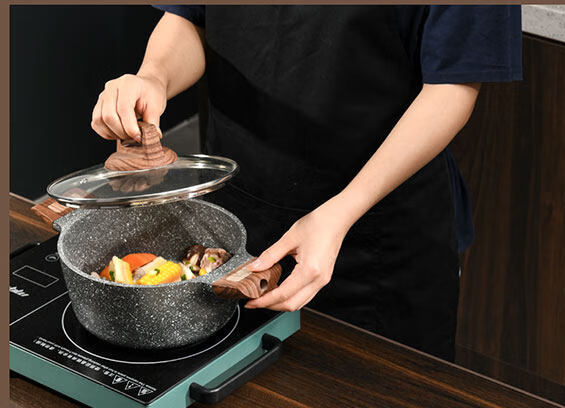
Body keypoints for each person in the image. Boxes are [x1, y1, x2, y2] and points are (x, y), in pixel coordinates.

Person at [92, 5, 522, 360]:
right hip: (236, 221)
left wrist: (342, 210)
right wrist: (154, 77)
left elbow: (452, 87)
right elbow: (192, 16)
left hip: (375, 244)